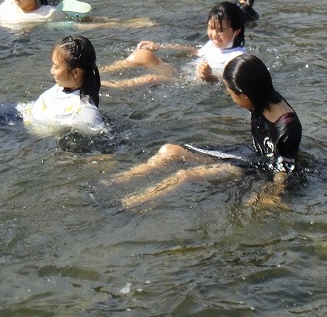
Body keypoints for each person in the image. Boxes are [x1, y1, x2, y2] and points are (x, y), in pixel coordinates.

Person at [112, 54, 302, 208]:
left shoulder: (287, 128)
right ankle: (112, 182)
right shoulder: (261, 95)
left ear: (245, 95)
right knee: (169, 150)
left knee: (185, 175)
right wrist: (209, 77)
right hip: (248, 154)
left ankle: (127, 204)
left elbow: (282, 173)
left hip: (257, 169)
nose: (231, 98)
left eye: (231, 94)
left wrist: (270, 196)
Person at [101, 1, 246, 86]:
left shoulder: (237, 58)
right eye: (211, 28)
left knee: (153, 78)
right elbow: (194, 51)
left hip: (190, 84)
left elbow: (228, 84)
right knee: (142, 54)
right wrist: (159, 47)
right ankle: (99, 72)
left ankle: (107, 85)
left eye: (221, 30)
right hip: (182, 74)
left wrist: (209, 76)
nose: (214, 34)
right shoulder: (213, 44)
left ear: (237, 31)